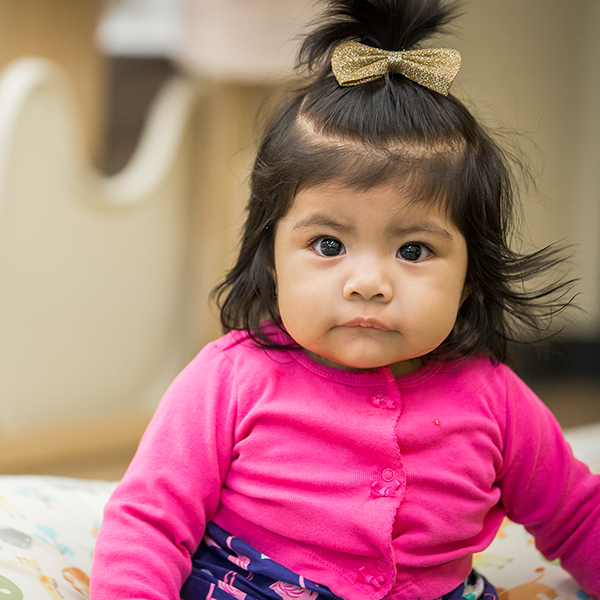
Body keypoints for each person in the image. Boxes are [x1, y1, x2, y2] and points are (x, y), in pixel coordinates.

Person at [89, 1, 600, 599]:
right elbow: (149, 523)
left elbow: (578, 516)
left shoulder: (494, 399)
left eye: (413, 251)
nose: (368, 282)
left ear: (471, 273)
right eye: (328, 244)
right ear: (270, 256)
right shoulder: (231, 380)